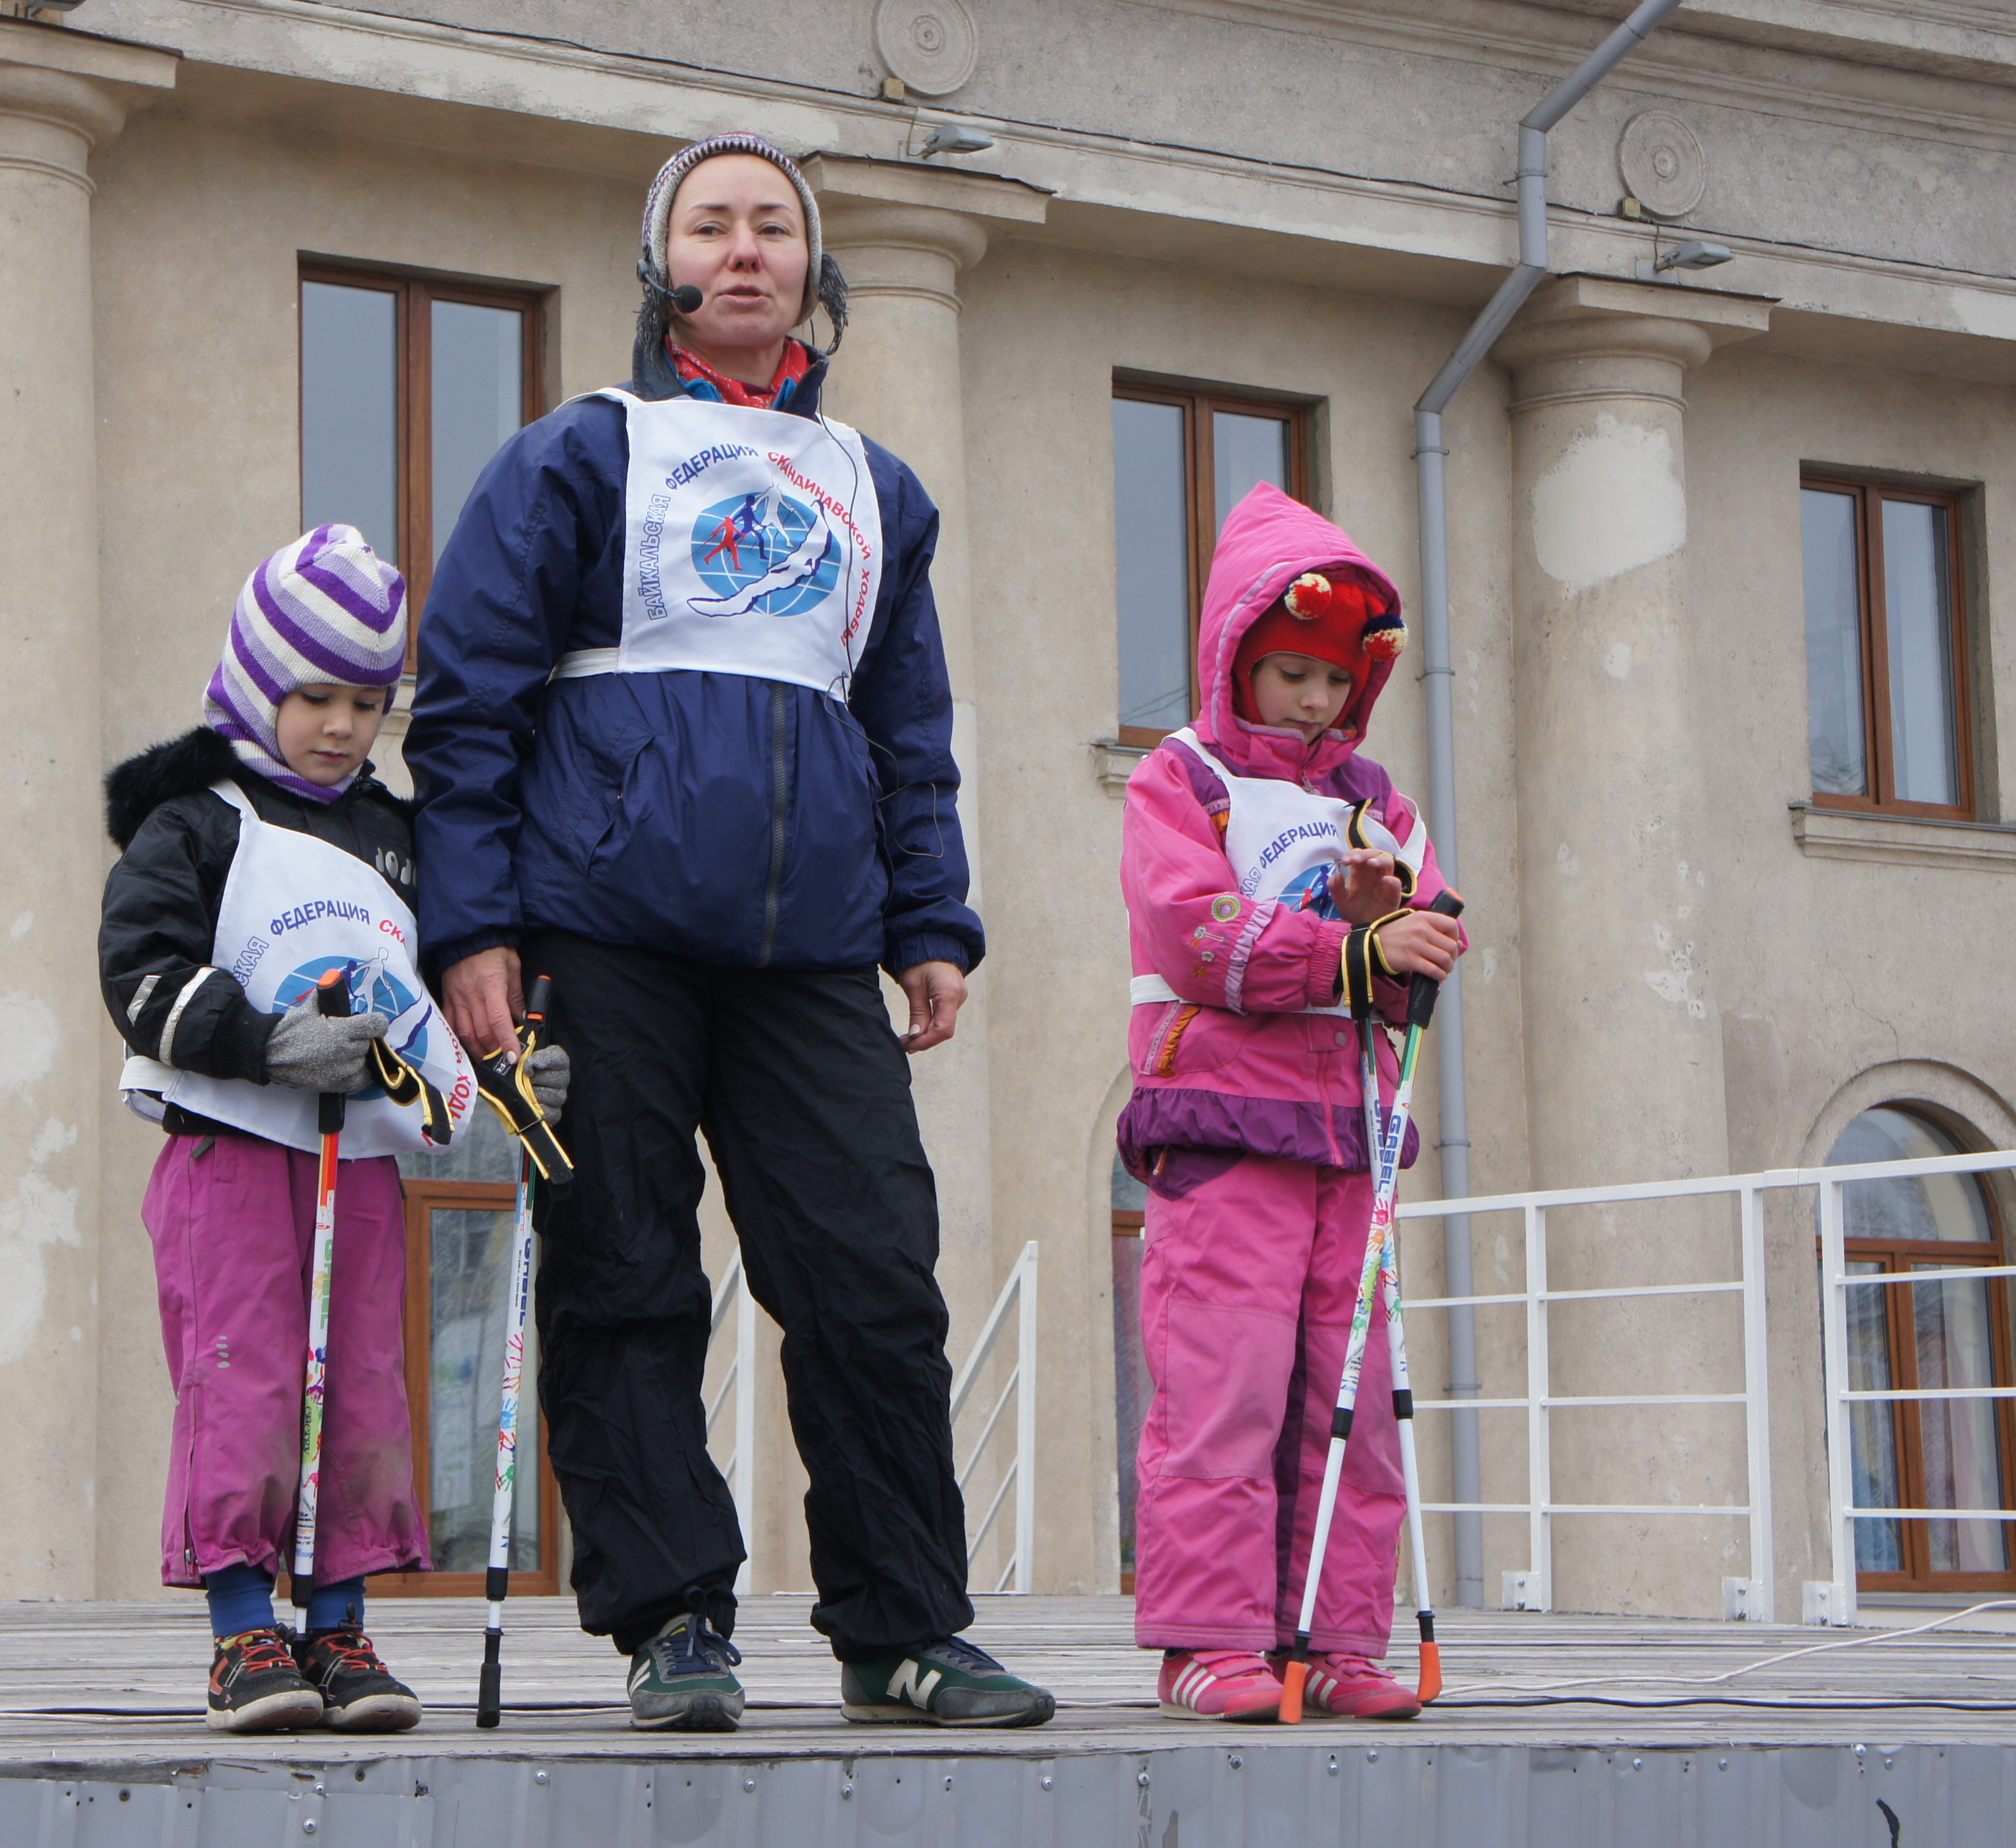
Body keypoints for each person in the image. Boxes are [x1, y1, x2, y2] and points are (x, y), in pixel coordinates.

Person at [406, 131, 1053, 1731]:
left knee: (871, 1278)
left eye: (774, 226)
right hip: (594, 934)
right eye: (712, 226)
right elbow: (469, 705)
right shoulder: (576, 454)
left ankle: (902, 1628)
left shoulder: (878, 490)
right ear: (663, 265)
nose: (745, 250)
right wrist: (471, 927)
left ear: (813, 268)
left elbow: (909, 728)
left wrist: (931, 916)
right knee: (623, 1272)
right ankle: (672, 1619)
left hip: (813, 951)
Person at [98, 525, 471, 1735]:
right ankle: (243, 1629)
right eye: (315, 697)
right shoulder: (196, 822)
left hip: (358, 1162)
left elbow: (434, 1003)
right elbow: (138, 973)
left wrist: (511, 1074)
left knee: (360, 1387)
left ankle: (340, 1629)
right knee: (247, 1380)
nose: (342, 727)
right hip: (233, 1153)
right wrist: (263, 1043)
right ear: (259, 684)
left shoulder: (394, 836)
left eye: (368, 703)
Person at [1116, 481, 1469, 1721]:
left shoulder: (1380, 802)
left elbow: (1427, 941)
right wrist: (1348, 951)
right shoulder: (1184, 777)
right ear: (1237, 662)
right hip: (1223, 1125)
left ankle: (1335, 1639)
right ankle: (1208, 1643)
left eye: (1334, 679)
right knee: (1227, 1387)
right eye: (1289, 673)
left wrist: (1398, 924)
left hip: (1349, 1137)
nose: (1314, 701)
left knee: (1351, 1403)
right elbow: (1193, 926)